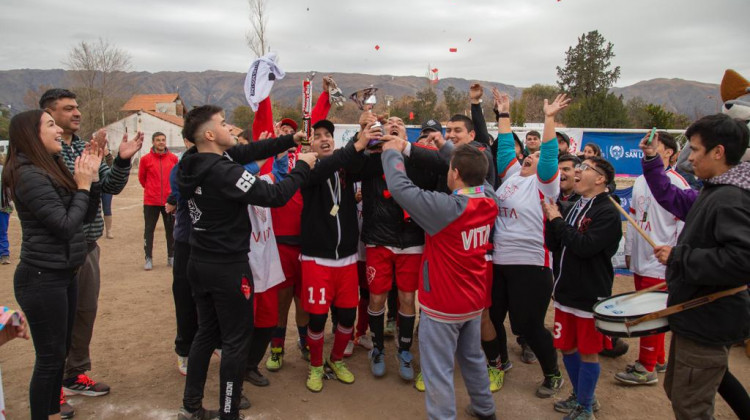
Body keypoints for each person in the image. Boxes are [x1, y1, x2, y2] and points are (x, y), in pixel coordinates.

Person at [176, 105, 315, 420]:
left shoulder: (192, 161)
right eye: (224, 124)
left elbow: (249, 150)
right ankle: (229, 412)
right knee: (237, 340)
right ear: (210, 134)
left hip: (199, 262)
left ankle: (191, 406)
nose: (230, 128)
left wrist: (288, 140)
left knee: (206, 333)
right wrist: (302, 167)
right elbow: (275, 195)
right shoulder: (224, 172)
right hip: (228, 268)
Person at [381, 139, 499, 420]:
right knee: (472, 357)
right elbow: (477, 172)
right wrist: (447, 149)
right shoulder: (489, 198)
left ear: (455, 173)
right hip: (472, 301)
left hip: (443, 305)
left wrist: (392, 153)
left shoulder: (447, 208)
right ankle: (485, 409)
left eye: (450, 168)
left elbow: (400, 188)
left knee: (438, 370)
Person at [40, 88, 143, 409]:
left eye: (77, 108)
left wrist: (122, 161)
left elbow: (108, 186)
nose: (76, 113)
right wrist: (83, 174)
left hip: (86, 246)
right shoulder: (43, 152)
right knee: (58, 318)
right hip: (56, 248)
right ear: (48, 114)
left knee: (85, 312)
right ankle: (51, 383)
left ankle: (75, 374)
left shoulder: (86, 146)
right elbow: (62, 194)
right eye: (68, 109)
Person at [3, 109, 102, 420]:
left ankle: (52, 412)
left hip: (64, 273)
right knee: (49, 358)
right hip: (41, 278)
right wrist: (83, 186)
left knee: (58, 354)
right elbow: (63, 224)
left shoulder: (51, 166)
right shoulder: (28, 174)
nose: (59, 129)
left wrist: (92, 180)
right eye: (50, 124)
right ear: (32, 135)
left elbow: (84, 215)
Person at [650, 114, 750, 420]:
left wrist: (679, 257)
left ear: (718, 152)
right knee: (680, 392)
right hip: (695, 315)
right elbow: (671, 198)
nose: (689, 157)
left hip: (709, 319)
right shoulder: (714, 190)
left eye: (694, 150)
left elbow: (742, 261)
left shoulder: (731, 198)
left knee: (691, 406)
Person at [485, 92, 570, 399]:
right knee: (491, 318)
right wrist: (503, 114)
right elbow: (505, 147)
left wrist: (549, 119)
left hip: (531, 264)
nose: (526, 158)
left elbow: (548, 155)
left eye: (531, 158)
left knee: (529, 325)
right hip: (499, 261)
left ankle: (553, 374)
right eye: (525, 157)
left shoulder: (545, 183)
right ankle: (499, 362)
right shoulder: (510, 177)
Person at [542, 156, 622, 420]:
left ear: (600, 179)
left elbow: (585, 247)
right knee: (566, 346)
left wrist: (557, 222)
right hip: (565, 290)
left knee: (588, 352)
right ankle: (580, 395)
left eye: (584, 168)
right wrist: (551, 219)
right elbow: (556, 245)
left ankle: (586, 407)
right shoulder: (575, 204)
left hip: (590, 294)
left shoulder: (608, 211)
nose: (577, 171)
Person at [358, 114, 436, 380]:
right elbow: (351, 161)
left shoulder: (419, 160)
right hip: (378, 239)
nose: (393, 124)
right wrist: (364, 131)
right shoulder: (371, 158)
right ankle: (377, 348)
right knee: (377, 297)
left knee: (406, 298)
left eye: (399, 123)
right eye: (389, 122)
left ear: (407, 134)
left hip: (411, 240)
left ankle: (404, 350)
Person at [298, 118, 370, 392]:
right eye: (318, 135)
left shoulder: (345, 169)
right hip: (317, 259)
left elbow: (363, 163)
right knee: (316, 318)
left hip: (347, 259)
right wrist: (355, 145)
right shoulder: (306, 168)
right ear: (311, 143)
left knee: (347, 317)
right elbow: (320, 170)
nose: (324, 138)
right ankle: (316, 365)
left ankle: (336, 359)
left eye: (329, 134)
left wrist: (369, 132)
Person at [266, 77, 333, 371]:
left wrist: (324, 95)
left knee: (304, 302)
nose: (288, 132)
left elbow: (315, 120)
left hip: (307, 240)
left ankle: (305, 341)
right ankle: (276, 348)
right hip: (280, 240)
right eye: (284, 129)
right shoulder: (269, 158)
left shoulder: (309, 158)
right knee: (281, 301)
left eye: (293, 131)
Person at [617, 132, 687, 385]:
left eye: (656, 146)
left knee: (651, 314)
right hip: (640, 257)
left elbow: (683, 226)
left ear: (669, 152)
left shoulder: (678, 183)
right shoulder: (640, 181)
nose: (649, 149)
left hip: (662, 260)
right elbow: (634, 219)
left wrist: (675, 257)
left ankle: (645, 368)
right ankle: (658, 359)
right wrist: (628, 252)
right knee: (649, 310)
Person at [138, 131, 178, 270]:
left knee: (171, 230)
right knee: (149, 230)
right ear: (153, 142)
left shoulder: (173, 158)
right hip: (151, 201)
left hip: (169, 202)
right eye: (158, 140)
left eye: (163, 140)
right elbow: (142, 179)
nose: (161, 142)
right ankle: (148, 258)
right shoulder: (145, 160)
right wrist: (151, 190)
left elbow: (176, 178)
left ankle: (171, 257)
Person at [0, 156, 11, 265]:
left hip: (4, 206)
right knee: (2, 231)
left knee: (2, 231)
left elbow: (10, 188)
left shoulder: (4, 170)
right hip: (5, 206)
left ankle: (4, 254)